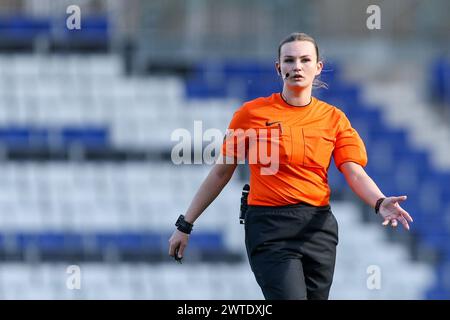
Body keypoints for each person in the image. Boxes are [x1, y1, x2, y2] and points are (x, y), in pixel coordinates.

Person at [168, 32, 413, 300]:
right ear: (279, 67)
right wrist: (186, 224)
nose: (297, 66)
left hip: (318, 229)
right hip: (269, 228)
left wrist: (379, 202)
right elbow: (220, 172)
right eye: (290, 60)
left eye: (305, 59)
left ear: (318, 67)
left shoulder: (334, 119)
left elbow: (354, 171)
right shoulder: (251, 115)